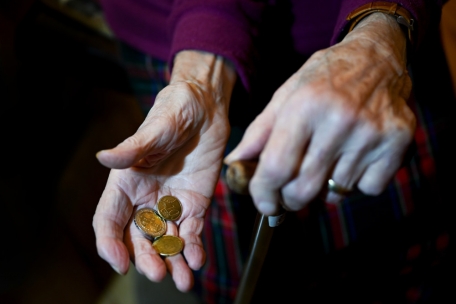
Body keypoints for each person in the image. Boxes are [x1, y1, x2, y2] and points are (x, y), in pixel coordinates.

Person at [93, 0, 455, 303]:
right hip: (168, 30)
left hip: (356, 36)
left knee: (400, 249)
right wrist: (200, 73)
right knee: (230, 273)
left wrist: (379, 35)